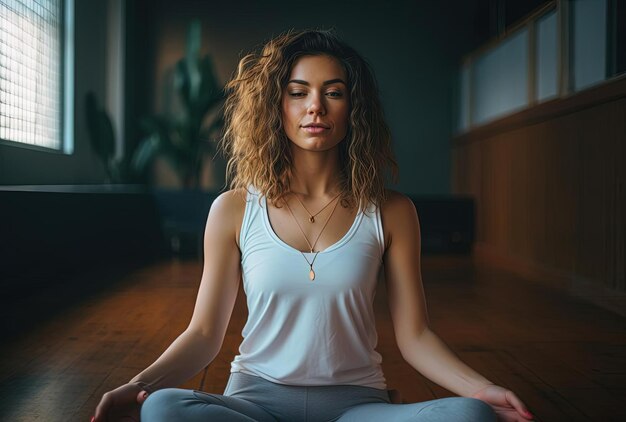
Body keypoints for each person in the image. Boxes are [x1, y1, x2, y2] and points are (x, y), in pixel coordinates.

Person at [93, 29, 534, 422]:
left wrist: (480, 389)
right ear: (276, 106)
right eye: (298, 92)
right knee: (163, 408)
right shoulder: (234, 209)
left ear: (353, 107)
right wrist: (137, 384)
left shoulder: (392, 211)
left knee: (469, 415)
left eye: (334, 92)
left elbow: (415, 335)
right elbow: (205, 334)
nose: (316, 107)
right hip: (254, 404)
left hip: (357, 407)